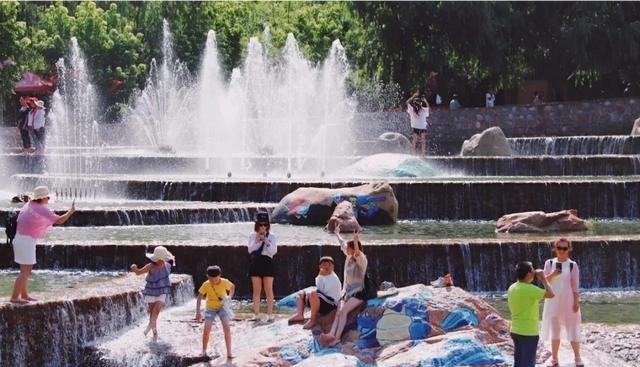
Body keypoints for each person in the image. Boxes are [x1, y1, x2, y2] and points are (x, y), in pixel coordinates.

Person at [10, 186, 76, 303]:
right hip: (25, 242)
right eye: (48, 197)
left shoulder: (30, 205)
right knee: (25, 271)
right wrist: (71, 212)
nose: (49, 199)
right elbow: (59, 220)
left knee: (26, 270)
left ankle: (24, 295)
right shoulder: (40, 209)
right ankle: (14, 297)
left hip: (21, 240)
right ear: (42, 198)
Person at [319, 227, 368, 347]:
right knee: (338, 312)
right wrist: (337, 233)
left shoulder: (361, 260)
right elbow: (342, 244)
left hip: (359, 292)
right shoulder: (348, 256)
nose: (347, 249)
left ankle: (337, 338)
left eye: (349, 248)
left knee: (344, 311)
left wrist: (355, 240)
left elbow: (357, 253)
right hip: (346, 292)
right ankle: (331, 334)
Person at [540, 238, 583, 367]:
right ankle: (554, 358)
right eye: (559, 248)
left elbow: (575, 285)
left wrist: (576, 301)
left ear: (568, 249)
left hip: (568, 300)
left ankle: (577, 356)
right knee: (555, 330)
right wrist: (553, 274)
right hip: (553, 301)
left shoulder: (572, 265)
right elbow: (544, 281)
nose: (562, 251)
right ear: (555, 249)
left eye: (564, 248)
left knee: (573, 329)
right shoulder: (549, 263)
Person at [507, 261, 555, 367]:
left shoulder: (512, 287)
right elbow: (551, 294)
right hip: (528, 332)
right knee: (528, 363)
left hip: (515, 330)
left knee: (518, 362)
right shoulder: (530, 289)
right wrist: (543, 278)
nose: (534, 272)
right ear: (528, 274)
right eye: (532, 270)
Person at [130, 246, 175, 338]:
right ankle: (152, 331)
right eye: (159, 260)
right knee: (152, 313)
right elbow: (139, 272)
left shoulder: (168, 265)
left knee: (156, 311)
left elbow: (172, 257)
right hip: (151, 291)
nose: (160, 262)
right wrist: (134, 268)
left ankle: (154, 333)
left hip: (162, 291)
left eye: (162, 260)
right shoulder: (150, 266)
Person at [288, 255, 342, 330]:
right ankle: (300, 314)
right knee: (300, 294)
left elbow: (321, 291)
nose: (327, 266)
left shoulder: (334, 277)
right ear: (320, 266)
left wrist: (310, 295)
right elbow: (319, 289)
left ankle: (313, 320)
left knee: (312, 294)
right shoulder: (321, 276)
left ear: (333, 267)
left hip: (331, 304)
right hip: (321, 301)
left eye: (330, 264)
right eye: (324, 264)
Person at [195, 265, 235, 359]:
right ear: (207, 277)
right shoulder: (206, 284)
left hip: (223, 307)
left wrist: (229, 297)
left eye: (215, 279)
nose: (213, 281)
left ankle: (229, 353)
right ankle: (204, 351)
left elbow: (232, 287)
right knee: (206, 329)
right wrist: (198, 312)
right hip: (210, 308)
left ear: (219, 275)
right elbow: (199, 297)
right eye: (210, 279)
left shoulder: (224, 282)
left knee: (226, 328)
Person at [248, 212, 277, 321]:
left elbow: (274, 251)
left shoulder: (272, 236)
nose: (263, 227)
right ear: (257, 225)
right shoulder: (252, 235)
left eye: (265, 225)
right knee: (257, 290)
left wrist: (266, 241)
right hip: (256, 263)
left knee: (269, 290)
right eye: (261, 225)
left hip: (268, 263)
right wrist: (257, 240)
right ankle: (256, 314)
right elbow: (250, 250)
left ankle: (270, 314)